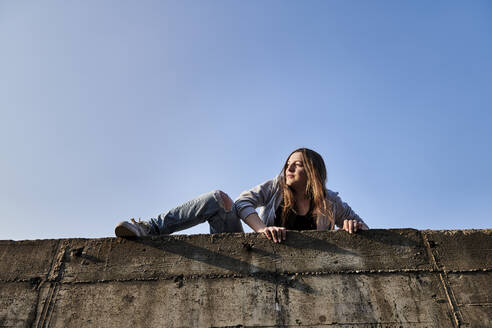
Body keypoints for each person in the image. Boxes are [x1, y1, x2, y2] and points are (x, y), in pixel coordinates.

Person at [115, 148, 368, 242]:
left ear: (313, 171)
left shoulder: (330, 202)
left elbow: (365, 227)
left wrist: (352, 226)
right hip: (257, 252)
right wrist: (261, 231)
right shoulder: (276, 186)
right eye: (289, 163)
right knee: (218, 198)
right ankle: (149, 229)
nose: (290, 168)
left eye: (298, 164)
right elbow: (242, 202)